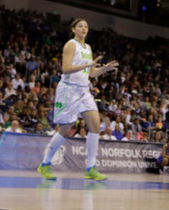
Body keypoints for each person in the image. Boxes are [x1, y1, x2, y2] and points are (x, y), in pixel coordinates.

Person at [37, 18, 119, 181]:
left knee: (95, 126)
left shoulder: (87, 47)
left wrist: (104, 69)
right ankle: (45, 164)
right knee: (65, 130)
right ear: (73, 29)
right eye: (80, 26)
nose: (83, 29)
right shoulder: (71, 45)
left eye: (86, 27)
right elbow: (66, 68)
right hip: (69, 89)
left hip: (83, 90)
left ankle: (91, 167)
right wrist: (87, 65)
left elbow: (90, 73)